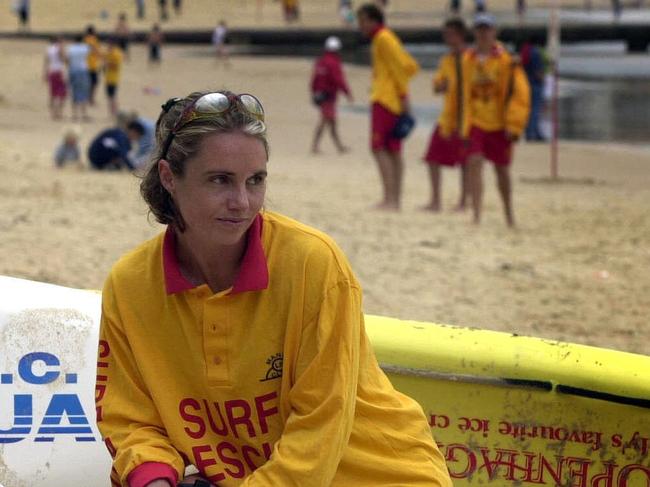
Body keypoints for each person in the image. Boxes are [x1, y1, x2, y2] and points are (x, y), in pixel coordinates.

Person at [95, 89, 453, 487]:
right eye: (220, 180)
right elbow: (130, 418)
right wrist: (153, 477)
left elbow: (319, 427)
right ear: (168, 177)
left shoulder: (312, 264)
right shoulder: (130, 286)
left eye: (256, 180)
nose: (242, 202)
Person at [463, 14, 530, 227]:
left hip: (500, 123)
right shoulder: (468, 60)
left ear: (494, 32)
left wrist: (514, 124)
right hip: (475, 120)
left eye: (487, 29)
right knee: (474, 162)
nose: (483, 34)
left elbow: (520, 94)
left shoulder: (506, 61)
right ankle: (477, 214)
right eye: (479, 29)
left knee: (502, 170)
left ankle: (508, 213)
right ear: (474, 32)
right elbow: (460, 92)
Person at [357, 3, 419, 210]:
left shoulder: (383, 38)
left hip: (385, 99)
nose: (360, 26)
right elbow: (407, 65)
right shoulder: (385, 37)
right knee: (392, 149)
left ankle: (391, 198)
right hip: (390, 98)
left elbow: (401, 68)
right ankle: (394, 199)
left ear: (373, 20)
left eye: (363, 21)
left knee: (380, 148)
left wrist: (404, 97)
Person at [422, 18, 469, 212]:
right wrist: (441, 85)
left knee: (466, 162)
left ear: (459, 34)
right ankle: (436, 200)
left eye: (449, 33)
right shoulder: (447, 60)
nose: (446, 37)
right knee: (432, 157)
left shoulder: (470, 58)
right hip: (448, 117)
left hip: (467, 117)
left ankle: (464, 201)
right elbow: (437, 85)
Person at [310, 36, 353, 154]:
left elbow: (314, 79)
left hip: (320, 95)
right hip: (329, 96)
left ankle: (339, 146)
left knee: (331, 121)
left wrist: (313, 92)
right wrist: (347, 92)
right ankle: (315, 146)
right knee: (325, 121)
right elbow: (338, 79)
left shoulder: (321, 61)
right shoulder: (334, 63)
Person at [520, 37, 545, 141]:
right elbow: (538, 71)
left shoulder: (525, 51)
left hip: (525, 84)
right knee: (535, 110)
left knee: (528, 110)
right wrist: (542, 79)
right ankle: (532, 133)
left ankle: (531, 132)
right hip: (535, 84)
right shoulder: (536, 52)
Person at [66, 35, 92, 122]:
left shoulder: (70, 48)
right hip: (83, 70)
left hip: (73, 70)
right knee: (84, 92)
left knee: (74, 92)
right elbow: (93, 52)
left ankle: (74, 115)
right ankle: (84, 114)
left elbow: (67, 60)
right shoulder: (85, 48)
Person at [43, 36, 67, 120]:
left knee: (52, 94)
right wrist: (62, 48)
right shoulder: (59, 48)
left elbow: (46, 62)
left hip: (51, 72)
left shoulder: (48, 49)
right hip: (59, 72)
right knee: (62, 94)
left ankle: (52, 113)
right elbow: (63, 59)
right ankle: (59, 112)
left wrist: (44, 74)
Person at [104, 38, 124, 117]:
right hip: (108, 78)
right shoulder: (108, 53)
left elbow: (116, 66)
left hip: (113, 78)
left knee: (113, 97)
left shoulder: (116, 53)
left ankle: (114, 113)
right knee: (110, 97)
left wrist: (107, 64)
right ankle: (111, 113)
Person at [84, 25, 103, 106]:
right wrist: (102, 58)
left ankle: (87, 98)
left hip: (85, 64)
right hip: (92, 65)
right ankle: (91, 99)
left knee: (88, 83)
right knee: (94, 83)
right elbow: (96, 51)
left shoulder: (84, 40)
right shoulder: (94, 40)